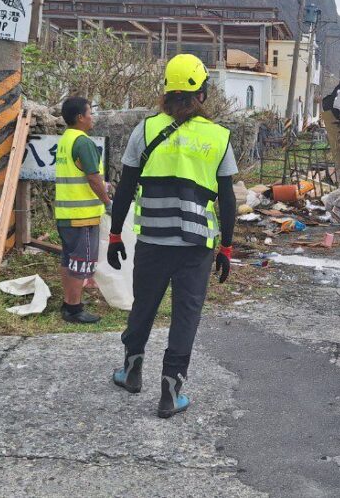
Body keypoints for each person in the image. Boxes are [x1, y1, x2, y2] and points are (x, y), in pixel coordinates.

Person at [106, 54, 238, 418]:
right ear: (203, 93)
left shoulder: (145, 130)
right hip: (196, 247)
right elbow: (227, 200)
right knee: (185, 316)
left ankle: (131, 372)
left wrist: (115, 235)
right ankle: (171, 390)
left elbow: (125, 188)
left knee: (143, 308)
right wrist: (226, 246)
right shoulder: (218, 137)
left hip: (151, 240)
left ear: (166, 91)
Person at [55, 96, 111, 324]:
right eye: (90, 112)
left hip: (65, 214)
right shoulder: (84, 142)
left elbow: (81, 175)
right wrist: (107, 202)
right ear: (80, 117)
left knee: (68, 260)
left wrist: (103, 184)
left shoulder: (66, 139)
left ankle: (68, 302)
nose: (92, 117)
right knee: (81, 262)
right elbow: (92, 178)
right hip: (82, 216)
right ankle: (74, 308)